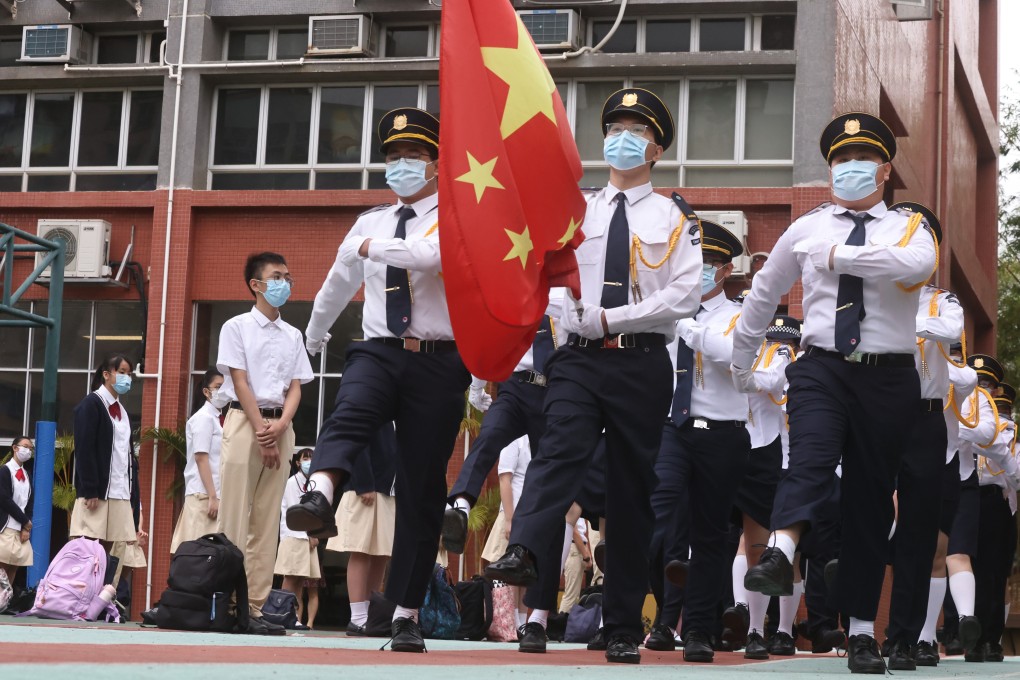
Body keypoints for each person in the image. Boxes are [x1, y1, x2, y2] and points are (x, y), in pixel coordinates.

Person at [485, 87, 702, 665]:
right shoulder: (573, 209)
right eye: (614, 127)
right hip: (579, 357)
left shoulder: (675, 216)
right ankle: (524, 552)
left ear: (655, 147)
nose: (621, 138)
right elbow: (547, 276)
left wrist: (613, 315)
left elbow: (684, 295)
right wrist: (569, 320)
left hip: (641, 361)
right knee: (559, 451)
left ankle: (624, 623)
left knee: (631, 490)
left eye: (635, 129)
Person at [731, 112, 937, 674]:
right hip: (821, 366)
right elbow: (763, 292)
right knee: (812, 459)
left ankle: (863, 631)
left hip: (888, 375)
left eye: (861, 159)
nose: (849, 169)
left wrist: (841, 256)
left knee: (869, 501)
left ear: (884, 168)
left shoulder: (907, 226)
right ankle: (782, 550)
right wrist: (741, 359)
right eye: (840, 161)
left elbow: (917, 265)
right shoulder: (807, 226)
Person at [286, 107, 472, 653]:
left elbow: (430, 256)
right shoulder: (368, 220)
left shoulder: (454, 217)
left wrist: (367, 248)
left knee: (420, 487)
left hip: (437, 360)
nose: (401, 166)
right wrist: (313, 336)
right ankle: (320, 493)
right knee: (352, 409)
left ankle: (408, 612)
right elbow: (336, 286)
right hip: (380, 349)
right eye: (392, 157)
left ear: (436, 163)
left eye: (412, 156)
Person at [646, 220, 750, 663]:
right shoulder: (666, 305)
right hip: (672, 428)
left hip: (722, 434)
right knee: (659, 510)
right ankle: (655, 602)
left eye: (708, 265)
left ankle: (700, 632)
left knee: (710, 537)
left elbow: (735, 356)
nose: (700, 271)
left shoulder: (741, 314)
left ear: (725, 270)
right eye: (694, 263)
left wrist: (687, 327)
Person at [215, 251, 314, 635]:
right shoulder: (236, 326)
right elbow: (239, 382)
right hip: (244, 422)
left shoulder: (293, 334)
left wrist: (281, 426)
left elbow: (295, 388)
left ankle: (254, 607)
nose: (284, 284)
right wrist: (262, 431)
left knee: (267, 521)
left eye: (288, 277)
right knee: (234, 517)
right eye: (277, 277)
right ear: (256, 284)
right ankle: (225, 602)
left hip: (281, 427)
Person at [881, 203, 960, 670]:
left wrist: (900, 325)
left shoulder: (942, 300)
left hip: (925, 421)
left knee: (918, 533)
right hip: (877, 415)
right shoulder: (868, 294)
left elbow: (949, 331)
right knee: (867, 520)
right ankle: (859, 633)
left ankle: (905, 637)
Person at [443, 294, 564, 554]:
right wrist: (476, 388)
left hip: (555, 392)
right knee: (490, 434)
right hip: (516, 388)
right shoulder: (514, 287)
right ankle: (461, 504)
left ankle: (534, 551)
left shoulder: (567, 290)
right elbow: (491, 339)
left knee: (548, 470)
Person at [725, 316, 800, 659]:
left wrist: (739, 376)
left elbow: (771, 379)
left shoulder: (781, 353)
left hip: (779, 457)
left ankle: (771, 629)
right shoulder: (738, 348)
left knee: (774, 549)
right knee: (743, 543)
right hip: (741, 450)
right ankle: (745, 619)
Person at [914, 342, 976, 665]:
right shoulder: (922, 366)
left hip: (947, 462)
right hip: (911, 457)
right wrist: (927, 358)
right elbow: (923, 381)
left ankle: (926, 637)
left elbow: (968, 380)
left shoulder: (955, 372)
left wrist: (939, 358)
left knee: (939, 551)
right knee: (904, 550)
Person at [946, 353, 1003, 660]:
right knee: (941, 557)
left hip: (983, 495)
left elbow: (988, 437)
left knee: (985, 568)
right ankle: (949, 634)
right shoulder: (935, 385)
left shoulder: (981, 404)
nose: (981, 385)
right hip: (943, 482)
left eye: (987, 384)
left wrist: (957, 425)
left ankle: (983, 636)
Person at [70, 354, 140, 584]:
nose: (126, 377)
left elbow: (127, 457)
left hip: (119, 490)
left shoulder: (122, 411)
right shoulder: (91, 405)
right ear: (107, 374)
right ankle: (80, 595)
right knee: (91, 547)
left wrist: (133, 496)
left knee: (111, 548)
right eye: (121, 371)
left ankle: (99, 599)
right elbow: (84, 449)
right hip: (98, 492)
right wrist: (90, 489)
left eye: (129, 373)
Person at [325, 423, 398, 636]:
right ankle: (357, 617)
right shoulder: (376, 407)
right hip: (366, 488)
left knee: (381, 553)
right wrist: (363, 482)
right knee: (361, 549)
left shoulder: (401, 413)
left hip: (390, 490)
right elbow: (358, 443)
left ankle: (372, 614)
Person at [970, 383, 1019, 662]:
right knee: (970, 569)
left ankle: (991, 639)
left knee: (996, 574)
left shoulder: (1014, 443)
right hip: (971, 499)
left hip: (997, 504)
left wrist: (1004, 450)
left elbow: (1016, 479)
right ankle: (969, 637)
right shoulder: (972, 431)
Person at [170, 368, 226, 553]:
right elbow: (202, 458)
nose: (223, 391)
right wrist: (212, 496)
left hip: (215, 495)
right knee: (198, 554)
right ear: (206, 391)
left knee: (211, 555)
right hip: (204, 496)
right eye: (218, 386)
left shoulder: (219, 419)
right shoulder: (203, 418)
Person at [275, 448, 321, 630]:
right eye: (305, 458)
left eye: (311, 458)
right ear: (297, 462)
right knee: (290, 577)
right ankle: (282, 614)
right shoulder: (292, 483)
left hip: (307, 538)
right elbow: (297, 512)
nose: (309, 461)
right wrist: (310, 533)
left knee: (300, 580)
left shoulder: (313, 483)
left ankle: (294, 616)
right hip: (294, 536)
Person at [0, 436, 34, 584]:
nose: (28, 450)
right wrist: (25, 521)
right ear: (15, 448)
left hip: (20, 528)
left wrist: (25, 527)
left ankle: (5, 601)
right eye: (25, 446)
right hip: (6, 526)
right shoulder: (5, 470)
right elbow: (5, 500)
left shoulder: (26, 474)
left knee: (15, 565)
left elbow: (29, 502)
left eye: (31, 448)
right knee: (3, 566)